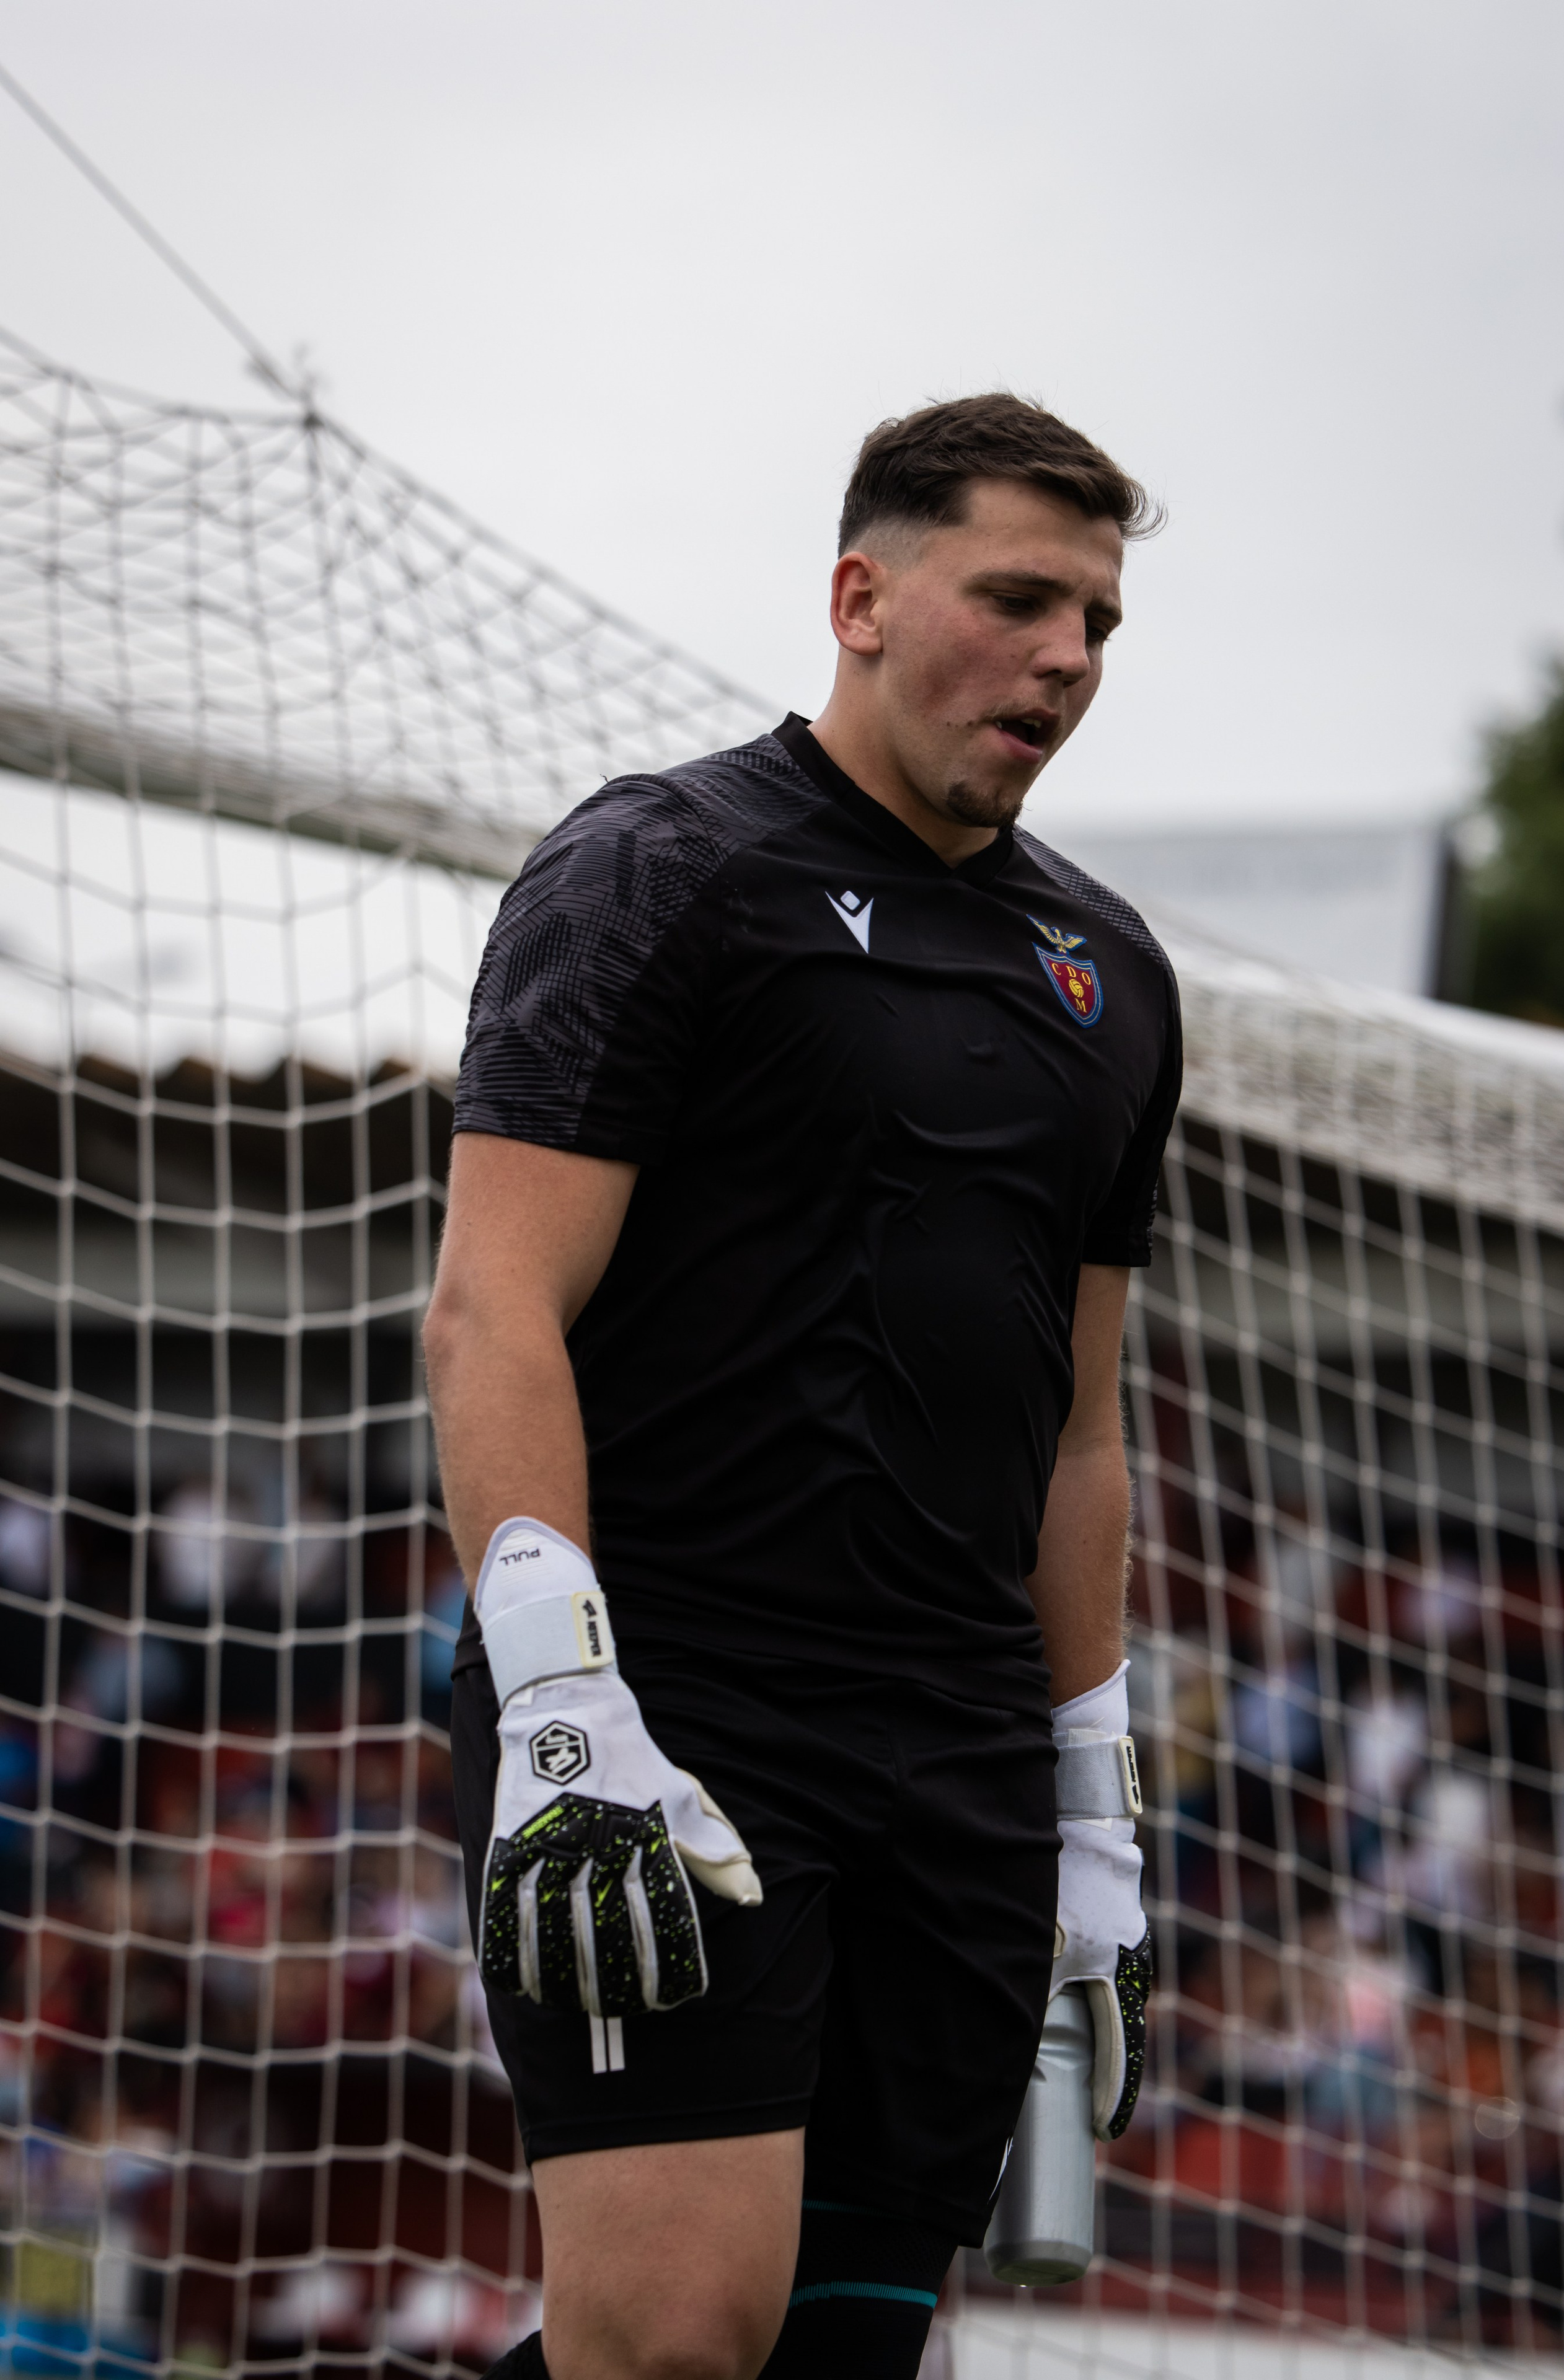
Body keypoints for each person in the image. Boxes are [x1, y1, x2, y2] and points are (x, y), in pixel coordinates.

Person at [425, 394, 1180, 2380]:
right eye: (1018, 598)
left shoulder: (1110, 972)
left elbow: (1083, 1425)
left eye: (1099, 620)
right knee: (676, 2339)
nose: (1066, 660)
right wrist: (560, 1695)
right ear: (860, 596)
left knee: (842, 2353)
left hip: (952, 1744)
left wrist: (1089, 1797)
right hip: (679, 1694)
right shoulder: (662, 869)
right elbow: (490, 1307)